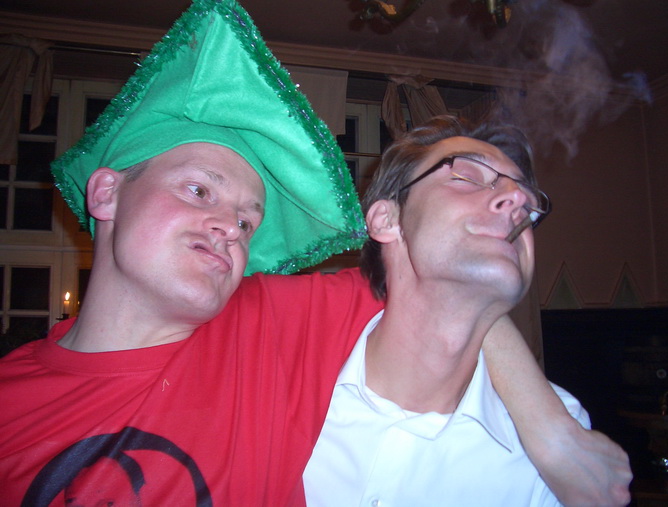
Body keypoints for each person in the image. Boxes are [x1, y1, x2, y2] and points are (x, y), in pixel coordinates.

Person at [0, 0, 630, 505]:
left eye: (248, 221)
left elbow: (445, 293)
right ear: (107, 192)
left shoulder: (268, 324)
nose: (230, 228)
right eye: (199, 191)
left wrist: (553, 429)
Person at [303, 116, 630, 506]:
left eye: (527, 202)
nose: (516, 201)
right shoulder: (282, 382)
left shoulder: (561, 448)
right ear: (388, 220)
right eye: (467, 177)